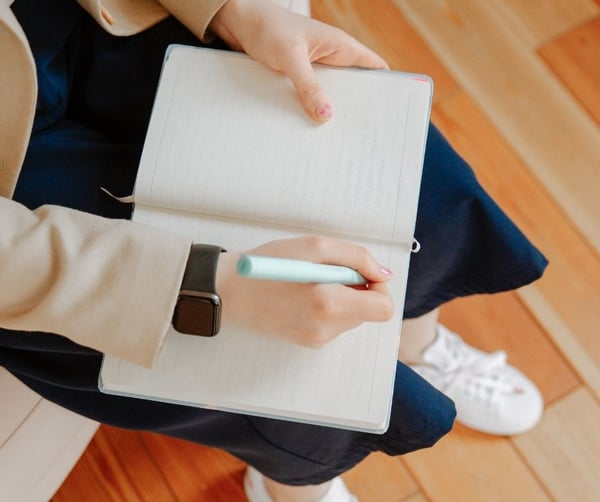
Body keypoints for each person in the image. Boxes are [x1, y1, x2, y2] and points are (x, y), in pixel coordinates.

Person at [0, 0, 548, 501]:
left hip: (97, 15)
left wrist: (228, 9)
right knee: (271, 368)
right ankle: (295, 487)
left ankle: (415, 342)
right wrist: (192, 287)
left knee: (394, 172)